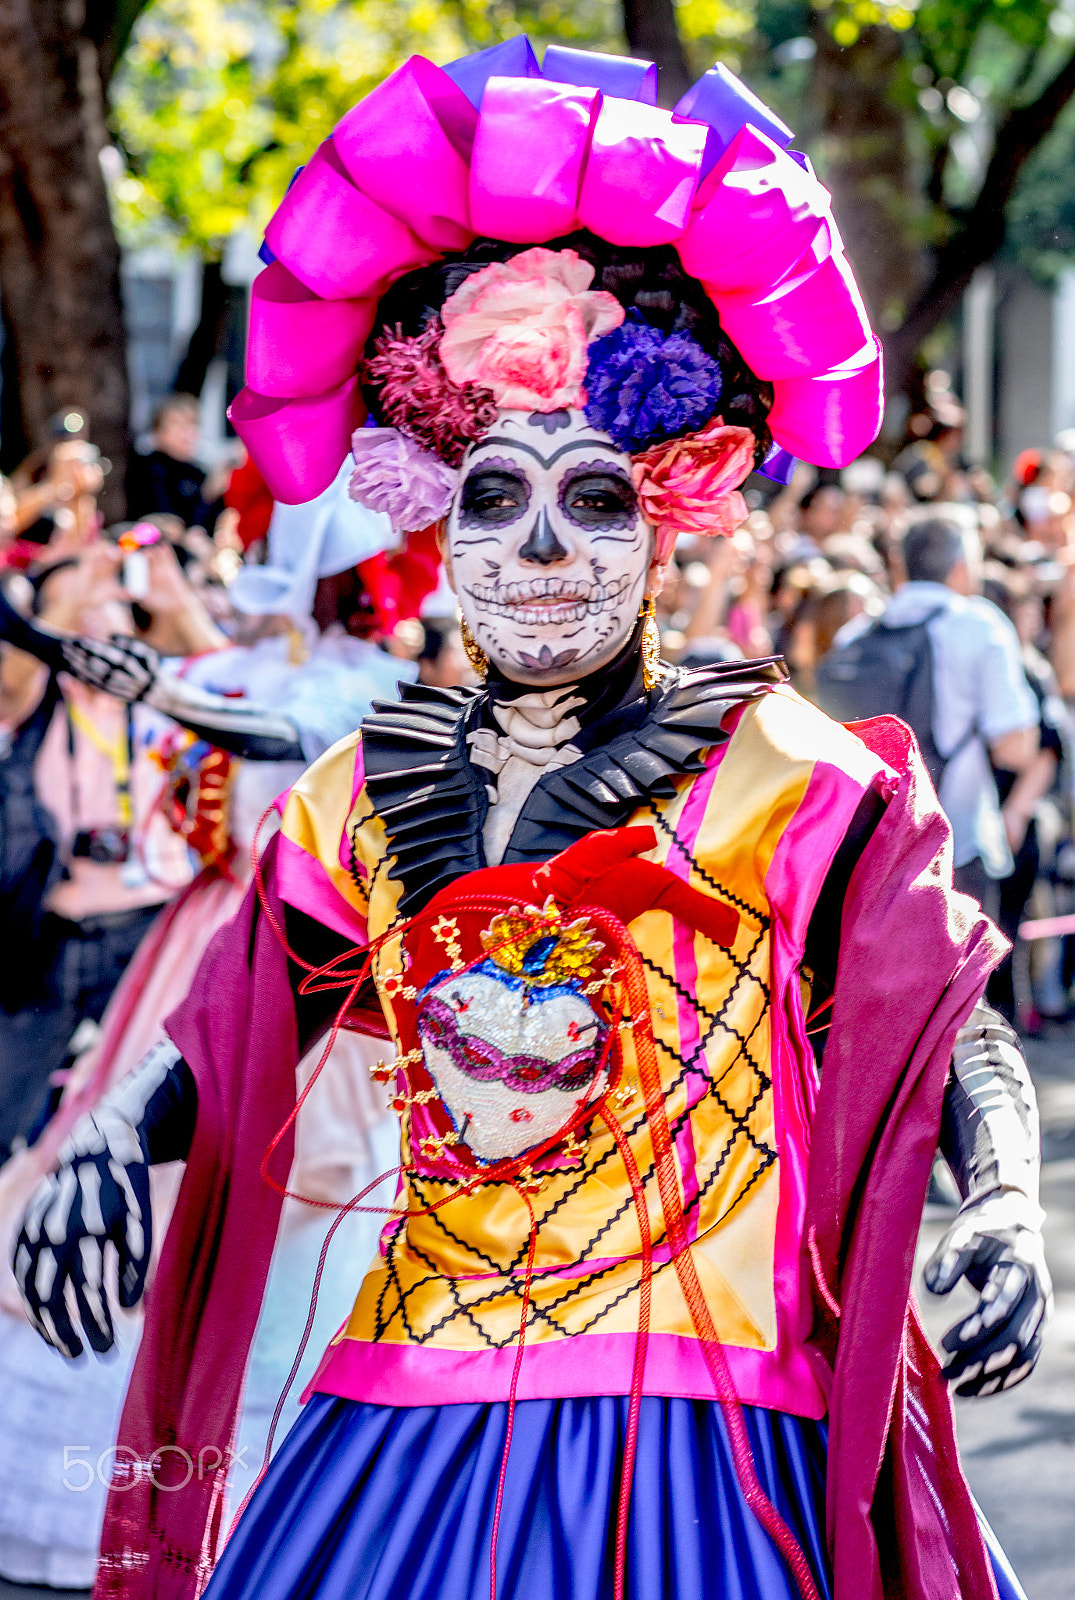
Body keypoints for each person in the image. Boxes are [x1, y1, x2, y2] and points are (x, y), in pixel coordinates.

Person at [13, 45, 1048, 1600]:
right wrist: (103, 1139)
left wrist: (1009, 1200)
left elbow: (939, 1019)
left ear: (675, 503)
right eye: (490, 499)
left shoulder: (788, 776)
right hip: (405, 1413)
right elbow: (236, 1023)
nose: (536, 547)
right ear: (433, 510)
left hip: (699, 1430)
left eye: (595, 500)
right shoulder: (365, 793)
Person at [817, 511, 1039, 919]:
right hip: (957, 847)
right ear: (960, 566)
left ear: (902, 563)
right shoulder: (980, 625)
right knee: (959, 984)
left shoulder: (858, 633)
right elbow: (1016, 748)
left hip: (867, 851)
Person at [126, 395, 227, 533]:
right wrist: (205, 497)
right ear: (158, 431)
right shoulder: (146, 468)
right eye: (179, 426)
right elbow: (164, 519)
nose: (187, 434)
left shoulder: (199, 473)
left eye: (193, 425)